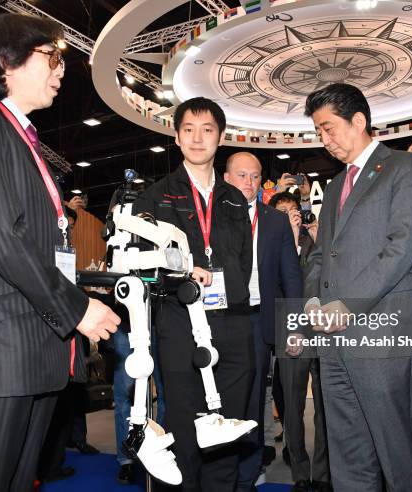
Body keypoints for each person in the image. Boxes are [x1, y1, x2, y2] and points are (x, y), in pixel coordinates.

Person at [0, 13, 119, 491]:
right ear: (6, 61)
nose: (60, 69)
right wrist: (77, 307)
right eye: (51, 57)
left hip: (33, 348)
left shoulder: (24, 138)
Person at [303, 83, 412, 491]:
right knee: (347, 453)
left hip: (383, 336)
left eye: (328, 128)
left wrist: (349, 304)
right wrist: (312, 299)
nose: (324, 140)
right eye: (319, 132)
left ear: (358, 120)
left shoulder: (404, 168)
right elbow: (322, 254)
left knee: (396, 455)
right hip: (333, 340)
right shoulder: (338, 184)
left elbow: (402, 247)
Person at [133, 97, 255, 492]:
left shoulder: (236, 198)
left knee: (228, 427)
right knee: (184, 425)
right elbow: (140, 265)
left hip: (231, 324)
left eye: (207, 130)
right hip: (179, 324)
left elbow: (243, 260)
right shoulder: (156, 196)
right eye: (188, 129)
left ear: (220, 137)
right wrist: (182, 273)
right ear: (177, 136)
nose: (197, 138)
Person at [223, 152, 303, 492]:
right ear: (226, 179)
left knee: (254, 399)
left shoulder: (274, 221)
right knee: (223, 401)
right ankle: (220, 471)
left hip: (258, 322)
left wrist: (295, 325)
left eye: (255, 176)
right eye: (242, 176)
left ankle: (249, 471)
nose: (249, 182)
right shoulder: (213, 218)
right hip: (219, 319)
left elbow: (291, 277)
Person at [268, 191, 330, 492]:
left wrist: (320, 241)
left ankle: (322, 472)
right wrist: (287, 242)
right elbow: (277, 284)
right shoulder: (270, 245)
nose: (291, 216)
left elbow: (327, 277)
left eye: (294, 211)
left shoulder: (314, 240)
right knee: (292, 405)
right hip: (290, 329)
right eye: (283, 212)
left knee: (324, 404)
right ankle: (300, 473)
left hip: (321, 330)